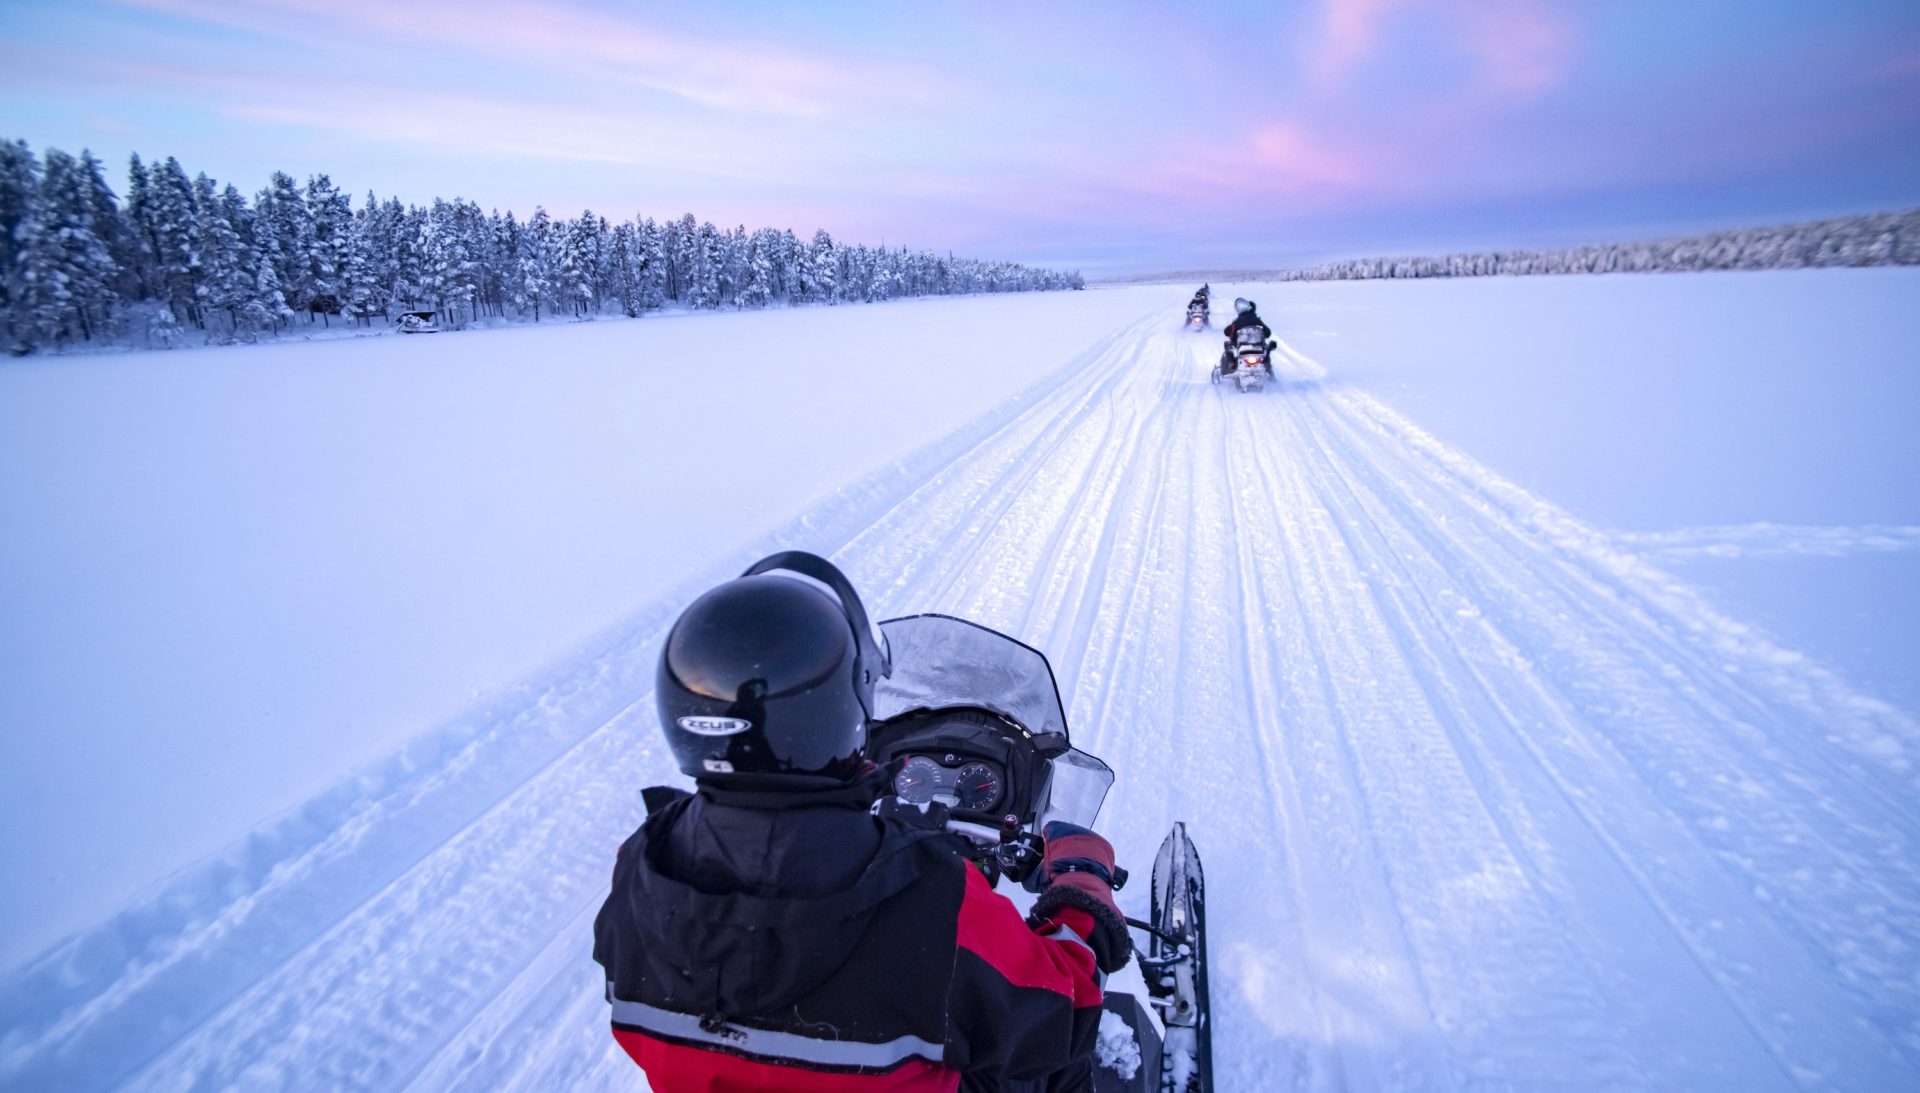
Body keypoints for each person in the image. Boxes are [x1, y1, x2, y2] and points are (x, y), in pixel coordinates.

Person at [593, 551, 1132, 1092]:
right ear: (844, 708)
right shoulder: (932, 900)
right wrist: (1082, 884)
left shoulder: (636, 868)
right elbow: (1064, 1007)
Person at [1220, 297, 1272, 373]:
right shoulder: (1256, 320)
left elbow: (1227, 332)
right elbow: (1268, 333)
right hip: (1258, 347)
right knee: (1267, 350)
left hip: (1242, 347)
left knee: (1227, 345)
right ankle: (1268, 368)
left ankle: (1231, 364)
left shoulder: (1237, 321)